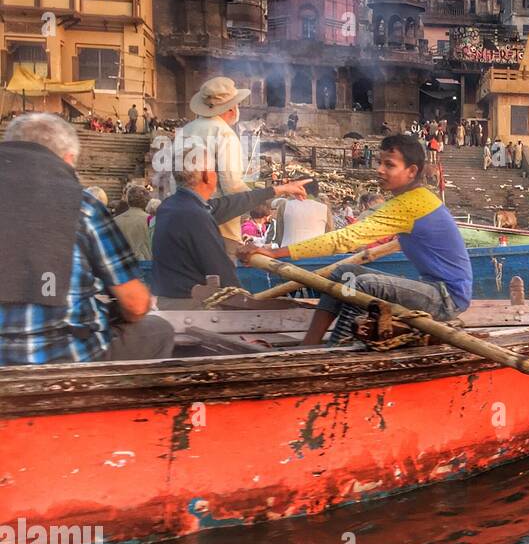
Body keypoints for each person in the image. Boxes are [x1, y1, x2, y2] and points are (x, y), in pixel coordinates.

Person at [243, 134, 473, 345]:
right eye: (380, 163)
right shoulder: (411, 200)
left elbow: (347, 238)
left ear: (412, 171)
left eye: (389, 165)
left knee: (360, 284)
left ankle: (336, 352)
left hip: (446, 298)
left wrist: (275, 253)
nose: (380, 170)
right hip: (431, 289)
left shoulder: (413, 203)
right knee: (343, 273)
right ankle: (309, 344)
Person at [0, 113, 173, 364]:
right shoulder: (83, 206)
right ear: (67, 159)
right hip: (66, 358)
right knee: (157, 331)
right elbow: (135, 304)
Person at [151, 149, 309, 308]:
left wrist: (280, 189)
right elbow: (222, 273)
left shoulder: (171, 205)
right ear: (207, 175)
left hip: (169, 301)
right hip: (190, 307)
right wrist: (246, 306)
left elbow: (230, 204)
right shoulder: (195, 215)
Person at [159, 76, 254, 258]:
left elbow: (172, 180)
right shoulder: (224, 134)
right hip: (219, 229)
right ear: (232, 108)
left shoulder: (184, 132)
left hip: (181, 223)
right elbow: (231, 185)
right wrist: (260, 199)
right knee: (220, 284)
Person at [114, 184, 153, 261]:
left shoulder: (114, 220)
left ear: (128, 200)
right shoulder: (151, 220)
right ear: (147, 201)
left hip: (123, 265)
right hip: (145, 264)